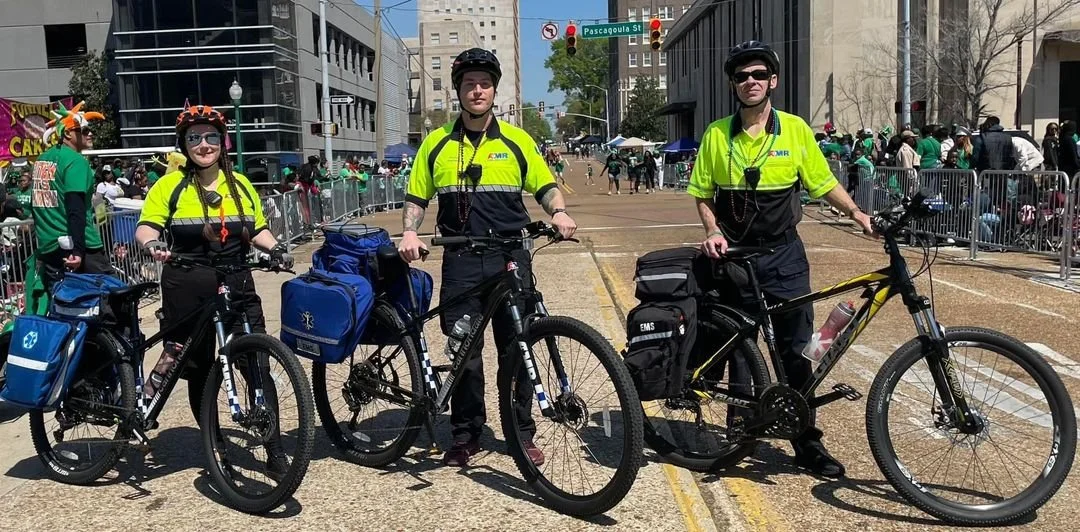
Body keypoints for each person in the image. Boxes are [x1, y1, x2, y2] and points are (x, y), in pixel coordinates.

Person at [688, 40, 873, 479]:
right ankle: (741, 427)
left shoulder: (794, 130)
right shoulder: (717, 133)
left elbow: (823, 182)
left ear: (772, 81)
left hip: (784, 256)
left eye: (757, 75)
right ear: (733, 85)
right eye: (741, 77)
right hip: (735, 258)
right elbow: (701, 193)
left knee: (796, 349)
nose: (749, 82)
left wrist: (856, 212)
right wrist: (712, 231)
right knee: (740, 345)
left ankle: (806, 443)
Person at [397, 47, 577, 467]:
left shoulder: (517, 141)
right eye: (469, 84)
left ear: (494, 91)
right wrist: (409, 231)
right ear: (458, 92)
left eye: (484, 84)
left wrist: (560, 211)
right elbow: (416, 197)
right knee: (464, 352)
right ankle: (465, 435)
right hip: (461, 260)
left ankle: (521, 433)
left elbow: (545, 185)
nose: (477, 91)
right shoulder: (437, 145)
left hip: (511, 257)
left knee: (519, 349)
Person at [133, 104, 294, 478]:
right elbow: (145, 227)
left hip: (237, 283)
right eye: (194, 138)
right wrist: (152, 244)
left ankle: (274, 449)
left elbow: (257, 230)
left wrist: (277, 250)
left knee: (256, 364)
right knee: (202, 370)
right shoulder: (168, 186)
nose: (203, 145)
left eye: (210, 137)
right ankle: (215, 443)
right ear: (184, 144)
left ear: (222, 142)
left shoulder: (240, 185)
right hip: (188, 286)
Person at [29, 101, 113, 297]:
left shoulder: (42, 160)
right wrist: (78, 249)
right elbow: (75, 207)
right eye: (84, 130)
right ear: (67, 133)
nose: (90, 134)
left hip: (49, 248)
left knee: (63, 305)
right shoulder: (75, 161)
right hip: (80, 247)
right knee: (113, 300)